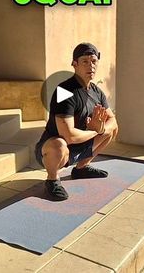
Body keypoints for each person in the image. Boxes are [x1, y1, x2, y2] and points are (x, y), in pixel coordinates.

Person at [35, 42, 118, 201]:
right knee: (58, 145)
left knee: (111, 130)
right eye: (85, 61)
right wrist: (95, 130)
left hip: (80, 144)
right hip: (55, 150)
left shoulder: (97, 92)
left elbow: (112, 121)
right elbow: (68, 136)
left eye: (94, 61)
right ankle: (52, 180)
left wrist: (101, 129)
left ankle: (81, 168)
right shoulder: (64, 91)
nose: (91, 66)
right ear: (75, 64)